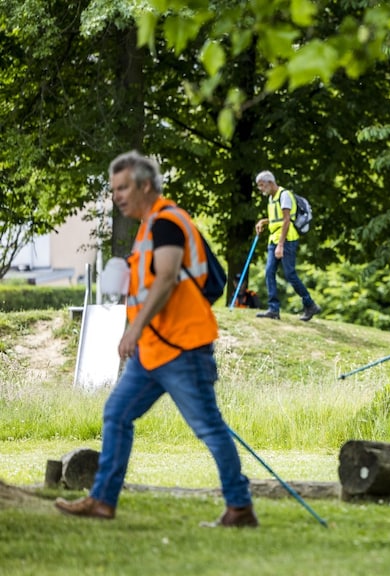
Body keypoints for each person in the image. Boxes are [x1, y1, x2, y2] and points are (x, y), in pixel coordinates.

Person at [55, 151, 256, 527]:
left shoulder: (166, 223)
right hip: (153, 351)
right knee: (117, 413)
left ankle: (240, 507)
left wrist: (132, 329)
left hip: (183, 348)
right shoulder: (148, 228)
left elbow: (165, 278)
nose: (116, 196)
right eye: (114, 189)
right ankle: (102, 501)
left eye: (122, 188)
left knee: (208, 427)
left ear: (145, 185)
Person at [254, 170, 321, 321]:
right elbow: (276, 219)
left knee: (290, 274)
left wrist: (281, 245)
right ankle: (273, 309)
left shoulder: (284, 195)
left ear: (270, 183)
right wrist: (263, 221)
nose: (260, 188)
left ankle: (310, 304)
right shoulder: (271, 198)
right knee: (269, 272)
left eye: (262, 185)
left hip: (287, 240)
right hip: (274, 239)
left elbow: (286, 220)